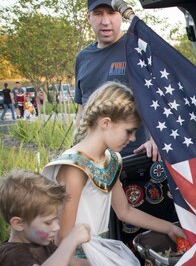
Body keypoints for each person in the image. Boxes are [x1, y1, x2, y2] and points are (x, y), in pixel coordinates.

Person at [43, 82, 186, 246]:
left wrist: (168, 228)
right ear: (105, 123)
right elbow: (63, 238)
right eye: (129, 131)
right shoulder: (74, 168)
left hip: (100, 249)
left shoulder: (110, 160)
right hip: (75, 257)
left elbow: (125, 212)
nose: (132, 138)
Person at [75, 0, 160, 160]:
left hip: (136, 157)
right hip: (95, 160)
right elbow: (82, 110)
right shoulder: (83, 58)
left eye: (111, 13)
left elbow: (156, 99)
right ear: (88, 17)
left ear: (120, 16)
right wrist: (76, 147)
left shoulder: (138, 48)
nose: (105, 21)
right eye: (98, 14)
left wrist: (155, 140)